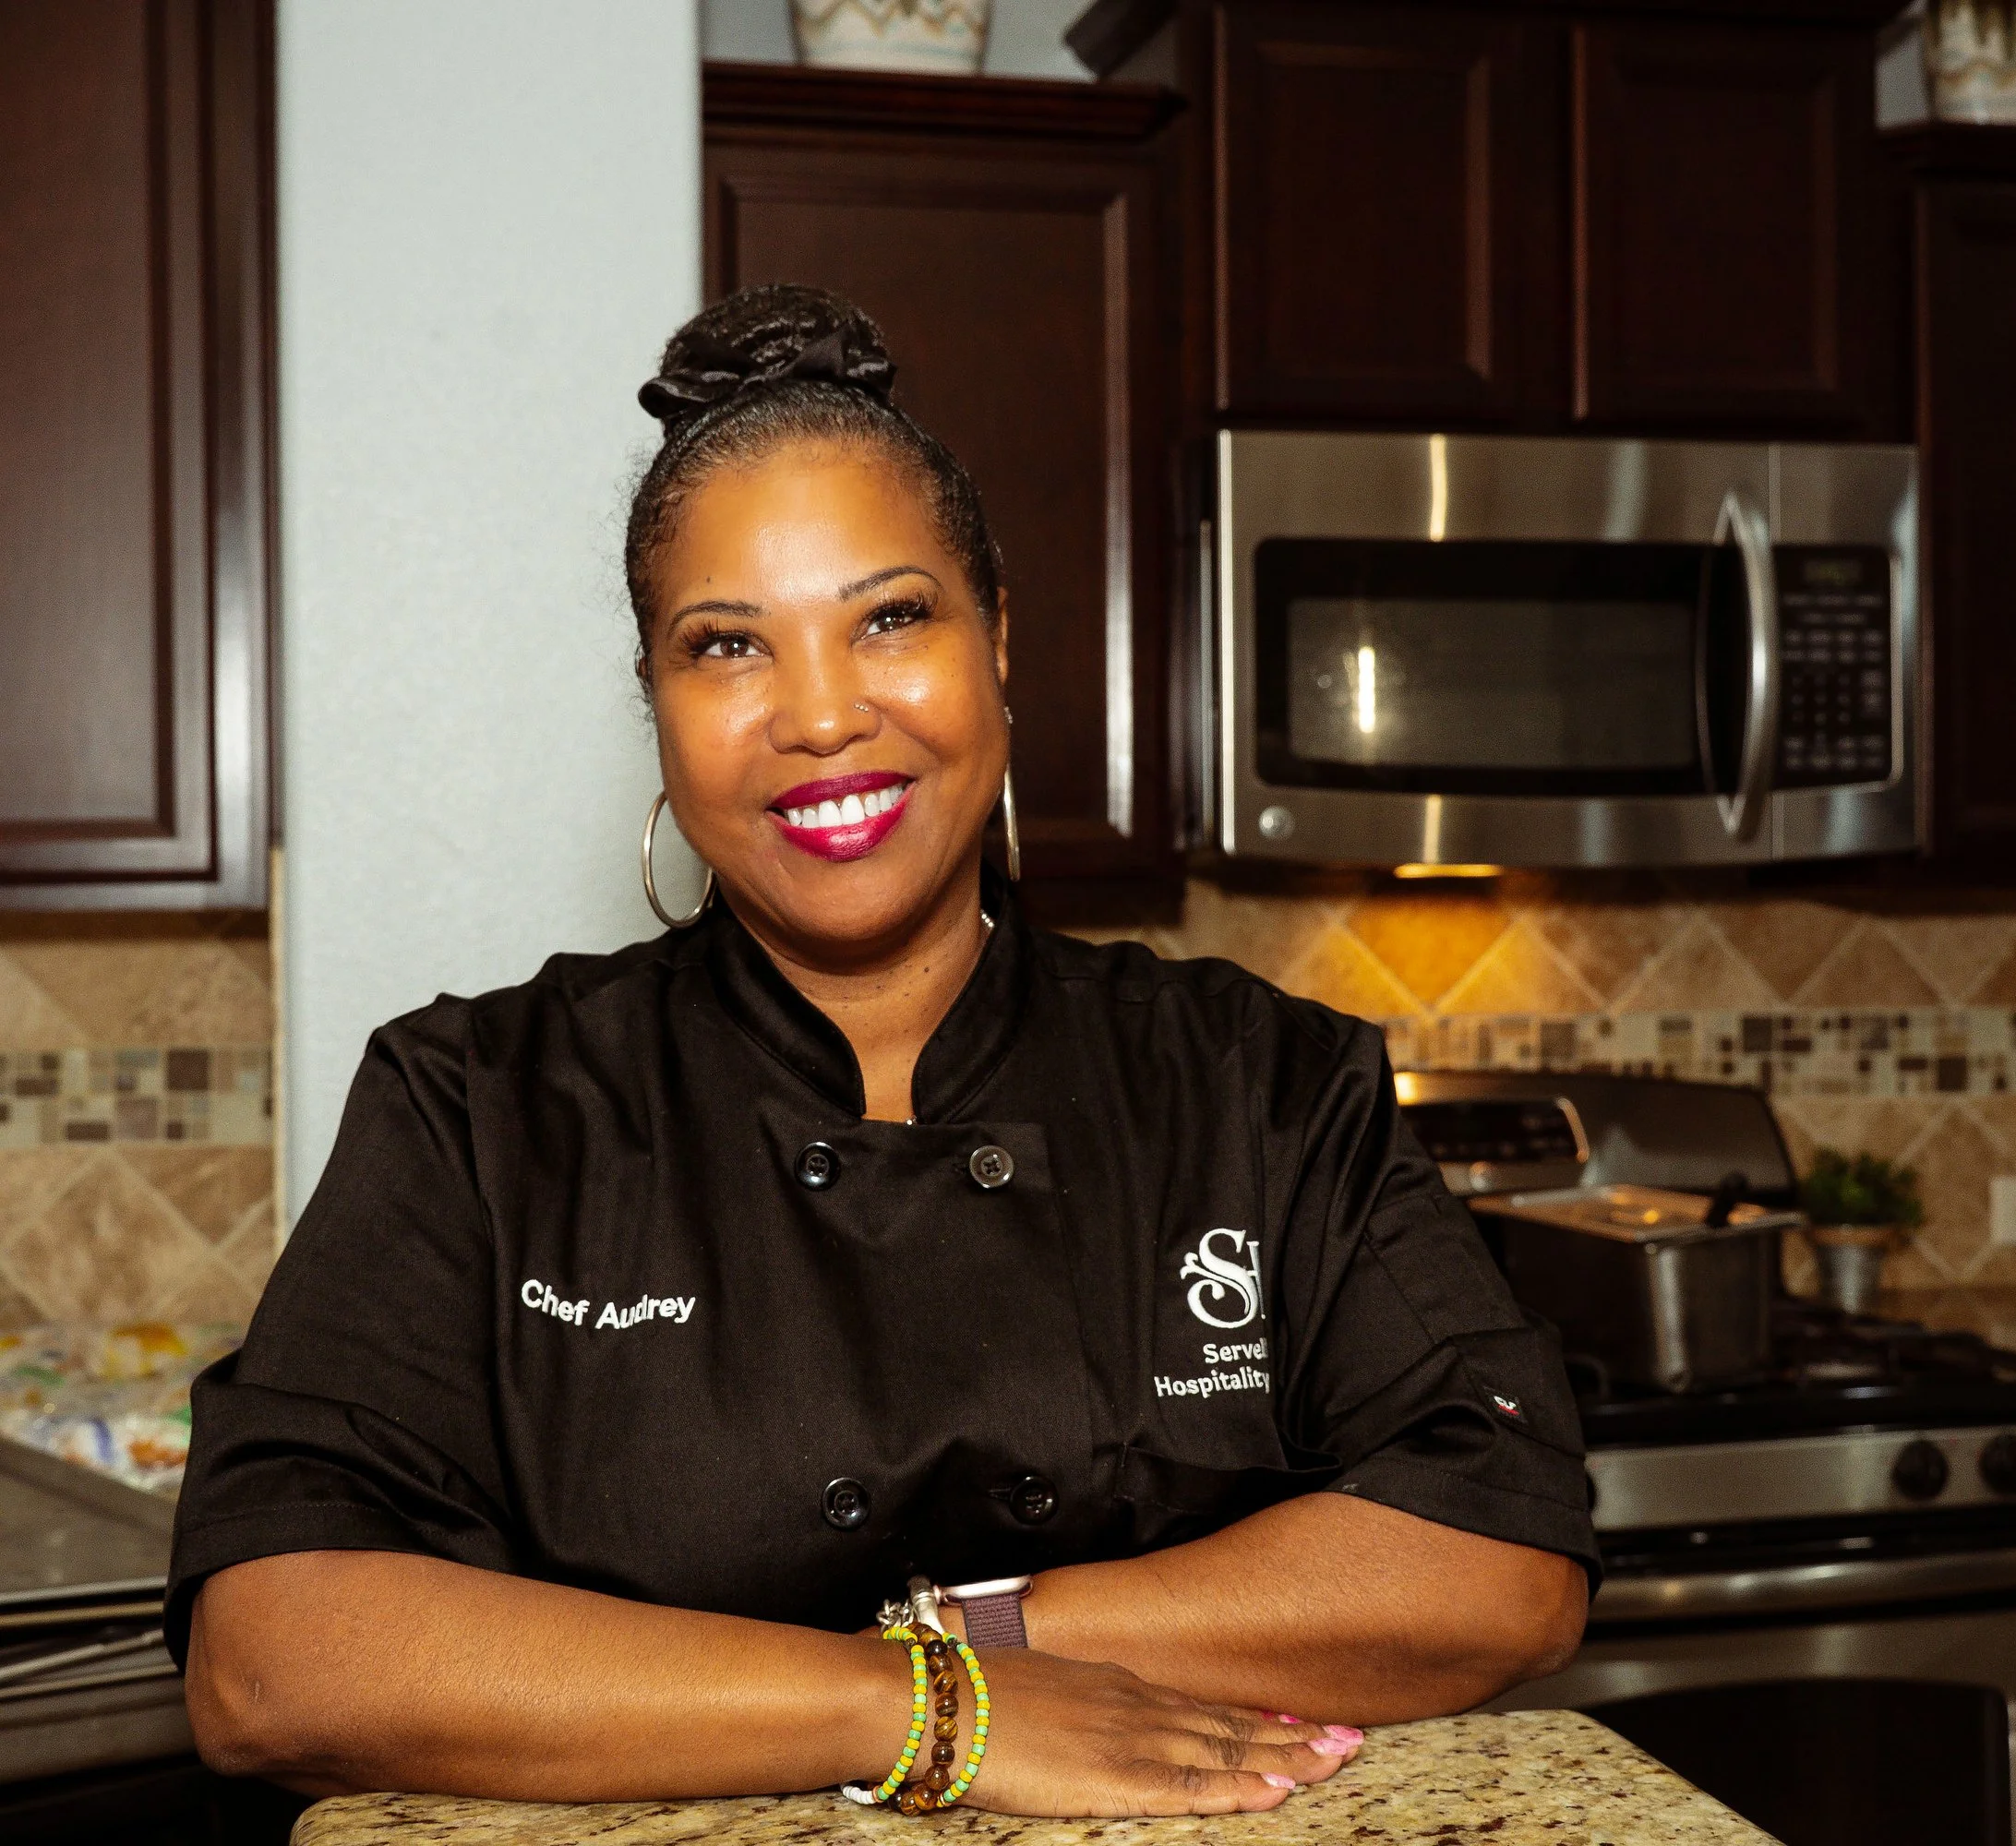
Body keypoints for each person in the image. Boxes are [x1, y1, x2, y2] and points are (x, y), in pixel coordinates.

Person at [171, 285, 1596, 1819]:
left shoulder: (1258, 1078)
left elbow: (1499, 1561)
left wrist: (978, 1631)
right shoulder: (480, 1105)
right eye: (727, 646)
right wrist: (912, 1705)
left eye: (892, 618)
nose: (820, 714)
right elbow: (271, 1655)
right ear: (655, 704)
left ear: (1000, 651)